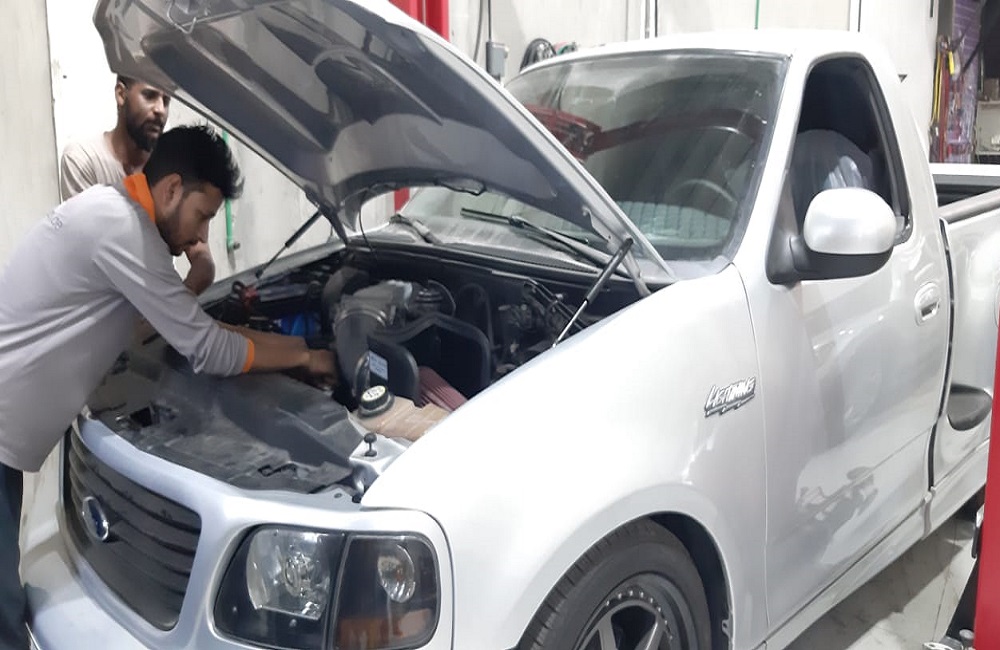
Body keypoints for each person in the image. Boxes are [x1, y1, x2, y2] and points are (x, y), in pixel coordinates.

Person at [0, 125, 336, 649]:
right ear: (172, 188)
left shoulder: (108, 210)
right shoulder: (125, 231)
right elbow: (207, 347)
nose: (200, 232)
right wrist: (306, 355)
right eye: (203, 215)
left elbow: (143, 326)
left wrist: (204, 278)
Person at [60, 75, 215, 295]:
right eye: (150, 96)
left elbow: (202, 258)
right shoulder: (83, 160)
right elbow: (94, 258)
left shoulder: (172, 166)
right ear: (121, 94)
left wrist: (179, 300)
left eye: (166, 101)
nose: (160, 110)